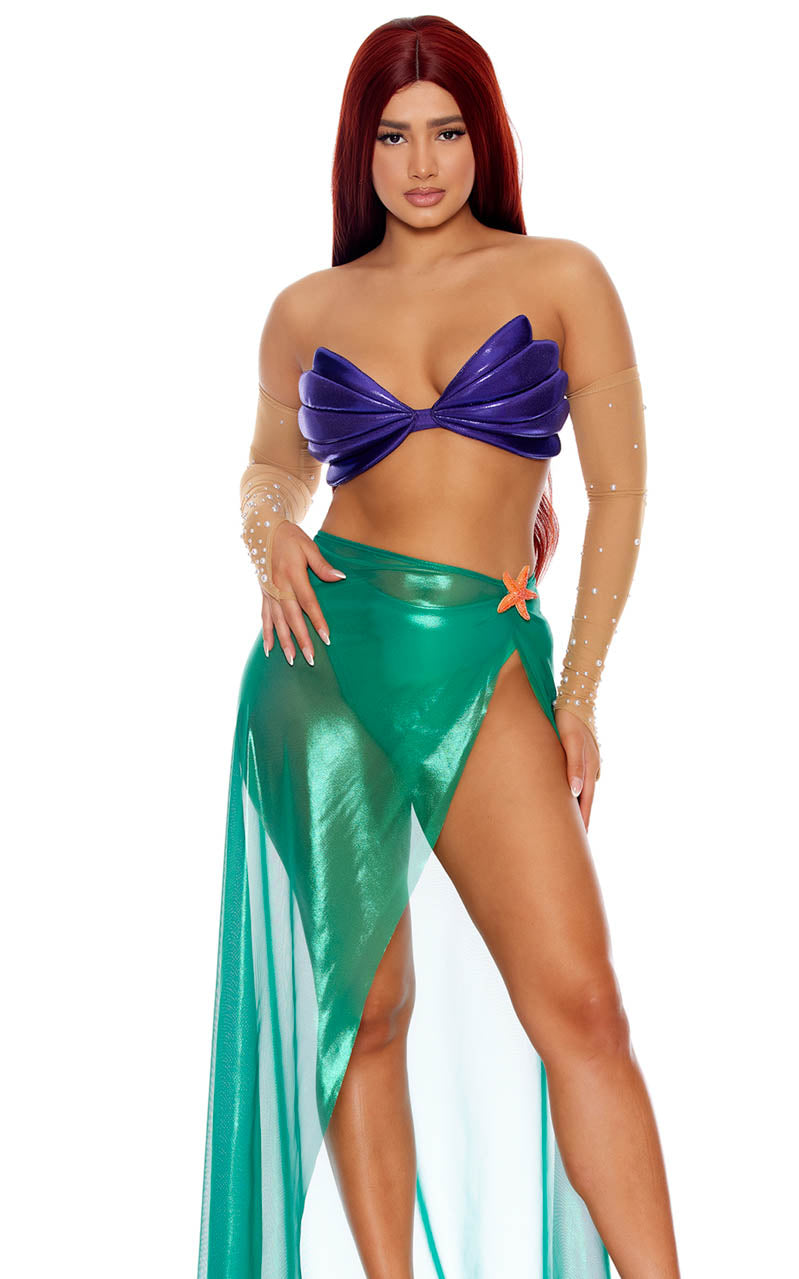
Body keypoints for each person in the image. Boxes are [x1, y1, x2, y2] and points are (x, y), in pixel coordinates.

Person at [198, 15, 680, 1279]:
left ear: (485, 139)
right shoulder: (307, 307)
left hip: (478, 654)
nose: (421, 164)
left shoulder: (561, 276)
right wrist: (268, 530)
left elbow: (620, 493)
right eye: (393, 136)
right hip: (319, 658)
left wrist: (577, 695)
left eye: (447, 132)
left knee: (581, 1007)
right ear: (359, 151)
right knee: (363, 1012)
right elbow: (269, 466)